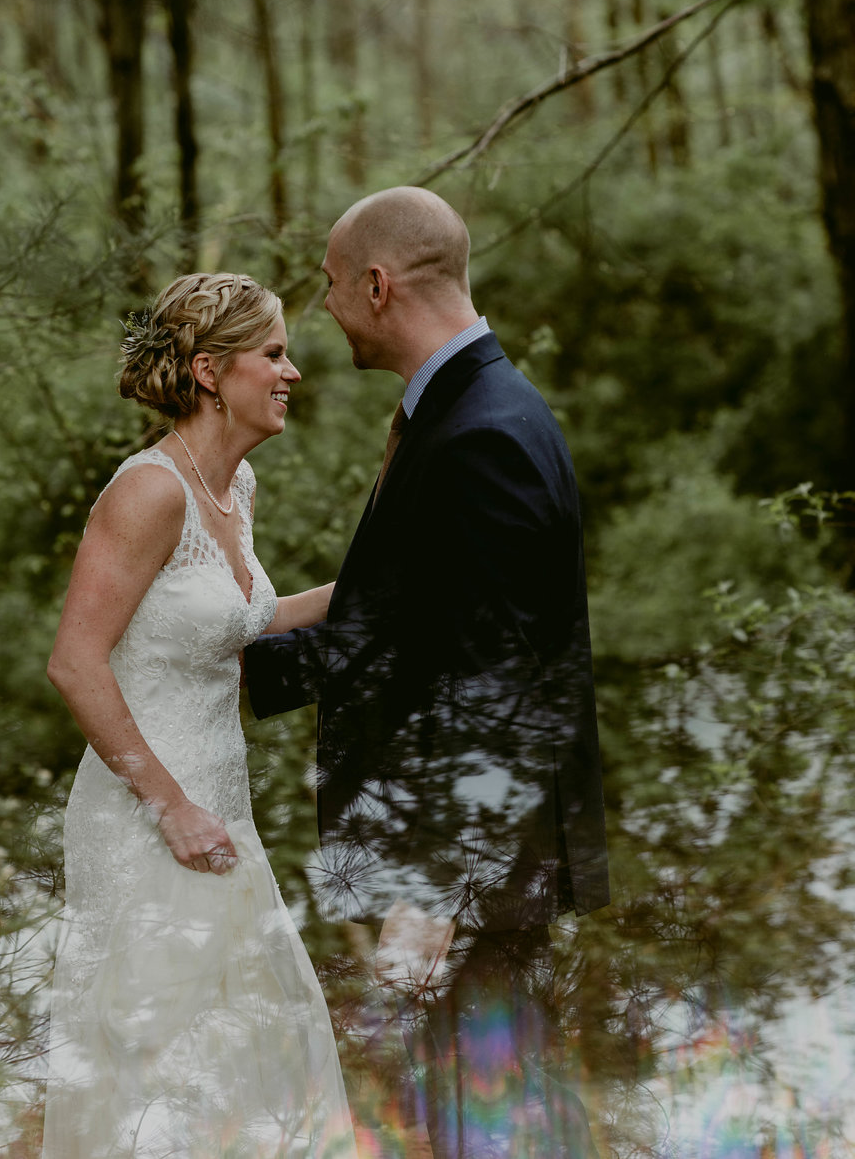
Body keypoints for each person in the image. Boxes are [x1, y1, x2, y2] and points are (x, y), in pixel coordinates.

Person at [243, 189, 608, 1158]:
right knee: (478, 1118)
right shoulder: (456, 411)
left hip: (474, 873)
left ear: (376, 284)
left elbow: (498, 683)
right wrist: (243, 654)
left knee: (496, 1123)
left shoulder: (483, 433)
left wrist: (435, 889)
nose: (322, 309)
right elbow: (414, 626)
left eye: (328, 286)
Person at [44, 272, 357, 1159]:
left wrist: (380, 586)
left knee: (246, 1052)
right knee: (162, 1061)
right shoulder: (149, 493)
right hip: (149, 818)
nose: (292, 372)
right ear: (214, 372)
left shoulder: (238, 485)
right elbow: (75, 661)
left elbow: (246, 618)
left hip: (224, 816)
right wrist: (170, 807)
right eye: (275, 354)